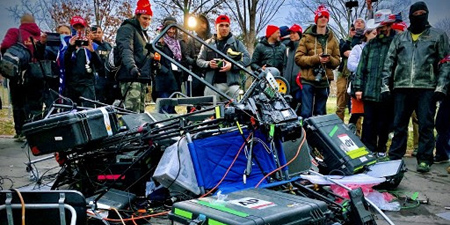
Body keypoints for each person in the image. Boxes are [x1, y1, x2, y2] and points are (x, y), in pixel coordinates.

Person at [381, 2, 450, 172]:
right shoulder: (400, 38)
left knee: (426, 124)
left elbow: (446, 63)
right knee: (399, 124)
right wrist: (385, 86)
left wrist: (441, 87)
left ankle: (425, 158)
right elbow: (389, 62)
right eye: (416, 12)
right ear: (411, 16)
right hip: (402, 86)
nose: (419, 15)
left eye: (422, 12)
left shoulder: (438, 35)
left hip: (426, 86)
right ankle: (395, 155)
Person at [353, 9, 396, 156]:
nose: (380, 30)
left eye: (383, 27)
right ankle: (368, 149)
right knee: (369, 122)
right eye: (378, 28)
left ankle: (381, 149)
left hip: (387, 92)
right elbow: (361, 69)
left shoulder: (395, 45)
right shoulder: (370, 46)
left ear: (389, 26)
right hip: (369, 91)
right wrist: (358, 87)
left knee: (384, 123)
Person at [1, 14, 43, 141]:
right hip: (35, 73)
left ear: (21, 22)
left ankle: (21, 131)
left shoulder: (15, 32)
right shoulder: (40, 36)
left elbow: (5, 46)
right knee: (35, 103)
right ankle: (35, 130)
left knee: (18, 103)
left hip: (18, 74)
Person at [295, 5, 340, 119]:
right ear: (316, 19)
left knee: (320, 113)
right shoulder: (306, 37)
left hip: (324, 81)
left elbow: (337, 61)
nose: (323, 19)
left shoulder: (332, 39)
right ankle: (305, 135)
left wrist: (329, 60)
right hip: (308, 80)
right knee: (306, 113)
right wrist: (316, 59)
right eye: (320, 16)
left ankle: (317, 137)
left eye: (325, 16)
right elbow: (298, 58)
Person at [196, 15, 251, 102]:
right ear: (216, 27)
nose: (224, 28)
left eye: (227, 25)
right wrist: (209, 64)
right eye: (221, 25)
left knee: (233, 113)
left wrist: (232, 65)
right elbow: (199, 61)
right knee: (212, 113)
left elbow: (247, 59)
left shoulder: (236, 43)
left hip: (231, 86)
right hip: (211, 86)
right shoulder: (207, 43)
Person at [115, 0, 153, 113]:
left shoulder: (143, 34)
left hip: (142, 78)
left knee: (140, 113)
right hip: (131, 77)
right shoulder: (127, 29)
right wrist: (132, 67)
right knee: (131, 113)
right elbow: (126, 50)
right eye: (144, 18)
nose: (147, 22)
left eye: (149, 19)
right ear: (137, 16)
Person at [347, 19, 377, 136]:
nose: (375, 36)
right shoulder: (358, 48)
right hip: (359, 85)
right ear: (366, 34)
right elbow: (351, 65)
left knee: (370, 117)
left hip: (373, 87)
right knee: (356, 114)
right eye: (373, 34)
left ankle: (368, 140)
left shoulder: (378, 49)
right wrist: (365, 68)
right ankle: (351, 137)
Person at [63, 16, 101, 108]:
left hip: (87, 85)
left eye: (81, 27)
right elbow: (63, 63)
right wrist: (70, 47)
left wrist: (92, 51)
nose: (79, 30)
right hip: (71, 85)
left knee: (89, 112)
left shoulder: (92, 45)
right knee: (71, 113)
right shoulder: (65, 43)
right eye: (76, 27)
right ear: (72, 28)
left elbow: (99, 66)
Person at [153, 16, 188, 113]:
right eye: (169, 28)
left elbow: (184, 59)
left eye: (173, 28)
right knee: (165, 107)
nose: (171, 31)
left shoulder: (178, 43)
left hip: (175, 79)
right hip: (163, 80)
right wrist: (164, 69)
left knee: (172, 107)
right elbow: (154, 60)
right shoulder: (159, 42)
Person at [336, 18, 365, 122]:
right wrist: (350, 37)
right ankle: (338, 128)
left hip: (357, 77)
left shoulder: (365, 41)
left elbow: (350, 53)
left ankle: (356, 132)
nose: (359, 23)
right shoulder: (346, 40)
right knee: (340, 104)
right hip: (343, 75)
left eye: (362, 22)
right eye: (357, 21)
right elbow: (342, 50)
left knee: (356, 108)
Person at [184, 14, 212, 97]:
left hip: (209, 72)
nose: (201, 25)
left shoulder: (213, 39)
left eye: (203, 23)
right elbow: (186, 55)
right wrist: (193, 61)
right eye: (199, 23)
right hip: (196, 72)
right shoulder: (191, 39)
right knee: (195, 96)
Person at [90, 25, 113, 104]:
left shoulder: (108, 46)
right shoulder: (89, 45)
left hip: (109, 77)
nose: (97, 34)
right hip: (96, 77)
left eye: (99, 32)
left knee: (109, 101)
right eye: (94, 32)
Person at [283, 24, 302, 114]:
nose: (292, 35)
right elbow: (284, 65)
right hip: (288, 85)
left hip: (299, 85)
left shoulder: (303, 47)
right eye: (290, 33)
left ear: (299, 34)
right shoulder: (288, 48)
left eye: (294, 33)